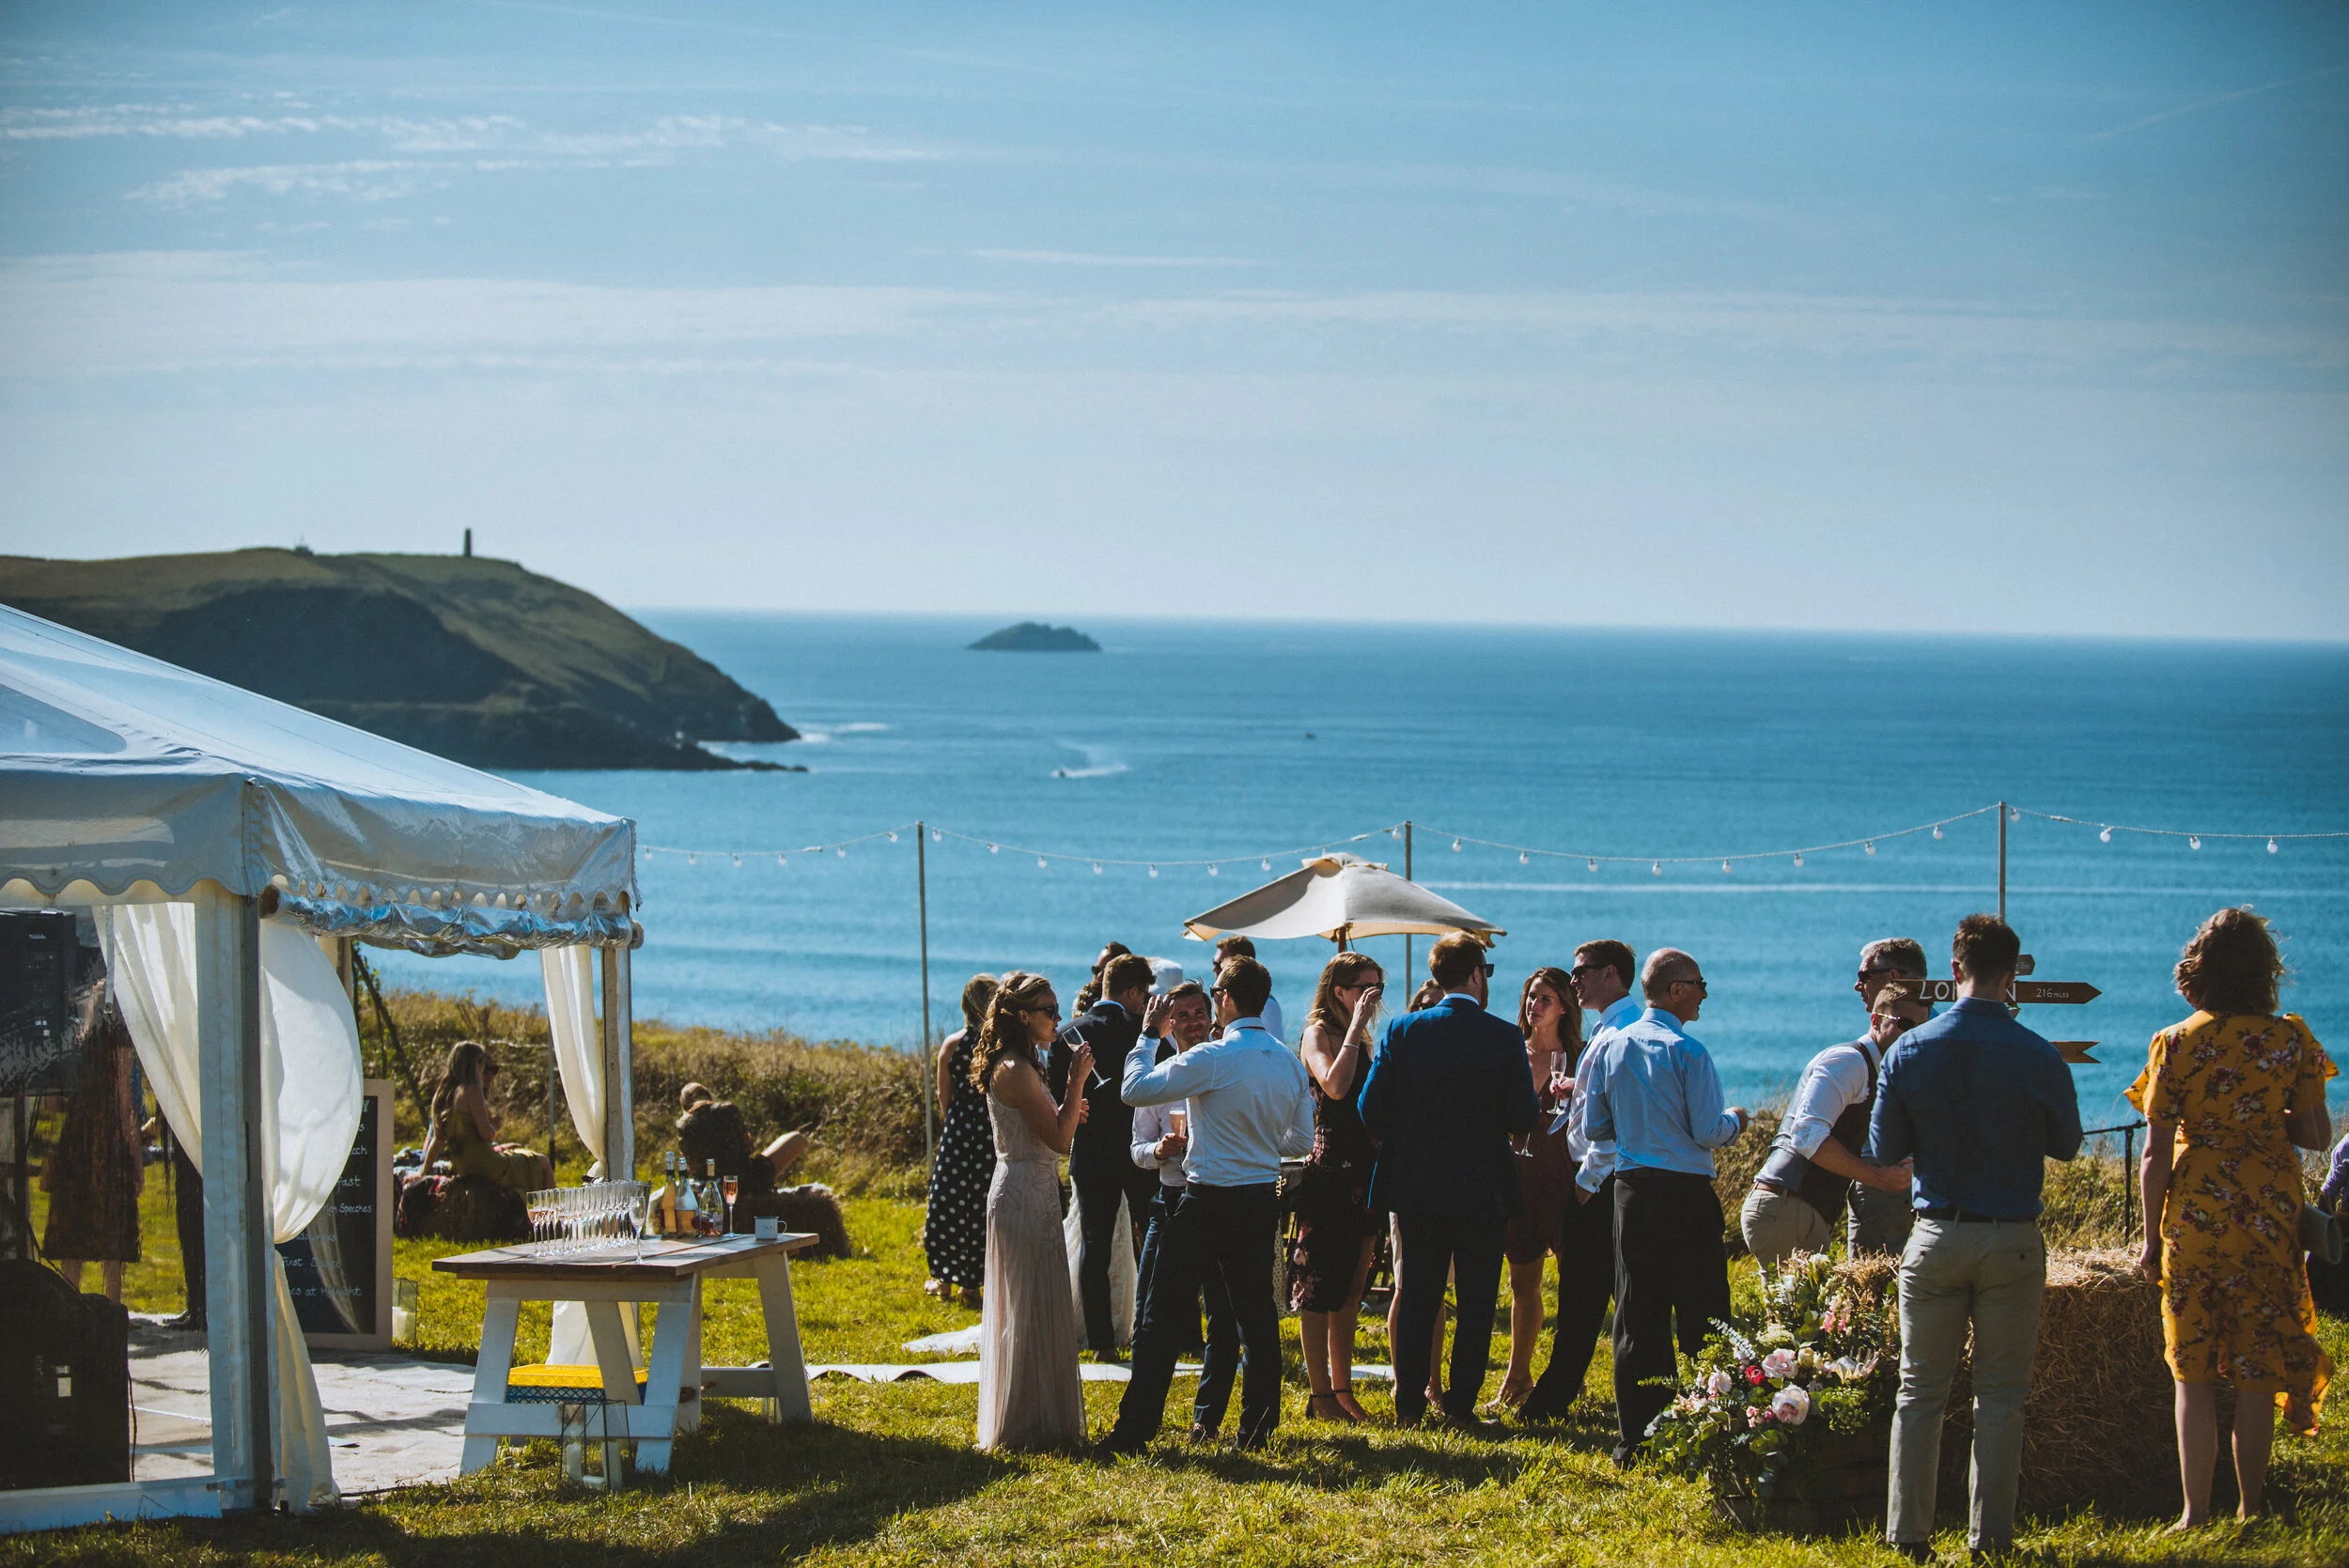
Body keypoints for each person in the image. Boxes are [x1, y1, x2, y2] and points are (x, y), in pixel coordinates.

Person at [1869, 913, 2082, 1562]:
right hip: (2012, 1235)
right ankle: (1989, 1538)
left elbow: (1884, 1149)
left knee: (1919, 1391)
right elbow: (2069, 1145)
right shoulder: (2039, 1054)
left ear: (1952, 970)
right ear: (2012, 975)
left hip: (1935, 1233)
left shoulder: (1910, 1049)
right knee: (2001, 1397)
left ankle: (1908, 1533)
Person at [2131, 907, 2336, 1529]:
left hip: (2194, 1218)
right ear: (2265, 972)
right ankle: (2250, 1508)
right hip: (2267, 1217)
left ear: (2200, 968)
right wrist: (2266, 1116)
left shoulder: (2176, 1042)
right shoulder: (2291, 1040)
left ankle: (2194, 1511)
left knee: (2190, 1370)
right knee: (2257, 1369)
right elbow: (2318, 1134)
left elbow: (2154, 1152)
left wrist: (2147, 1241)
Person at [1101, 956, 1313, 1454]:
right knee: (1256, 1318)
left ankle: (1135, 1430)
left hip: (1207, 1196)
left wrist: (1149, 1035)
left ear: (1225, 998)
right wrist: (1258, 1145)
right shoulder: (1287, 1061)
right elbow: (1301, 1138)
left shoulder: (1214, 1057)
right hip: (1261, 1198)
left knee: (1160, 1315)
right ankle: (1256, 1431)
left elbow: (1134, 1090)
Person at [1359, 933, 1541, 1428]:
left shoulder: (1401, 1031)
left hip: (1415, 1184)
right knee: (1478, 1300)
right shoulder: (1503, 1036)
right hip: (1481, 1187)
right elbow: (1523, 1113)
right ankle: (1460, 1404)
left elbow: (1369, 1108)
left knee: (1418, 1296)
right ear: (1478, 975)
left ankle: (1409, 1406)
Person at [1583, 947, 1750, 1463]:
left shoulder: (1612, 1046)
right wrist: (1738, 1120)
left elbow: (1593, 1127)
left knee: (1638, 1312)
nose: (1703, 993)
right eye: (1699, 984)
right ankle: (1711, 1425)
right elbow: (1707, 1129)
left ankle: (1639, 1436)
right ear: (1676, 990)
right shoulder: (1689, 1052)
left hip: (1631, 1191)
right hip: (1684, 1194)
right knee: (1703, 1311)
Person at [1741, 942, 1925, 1265]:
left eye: (1921, 1029)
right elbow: (1807, 1133)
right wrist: (1877, 1177)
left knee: (1803, 1313)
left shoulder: (1879, 1068)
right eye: (1903, 1025)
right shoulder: (1850, 1062)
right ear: (1874, 1021)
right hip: (1787, 1207)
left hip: (1799, 1211)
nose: (1912, 1036)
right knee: (1798, 1313)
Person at [1518, 939, 1640, 1422]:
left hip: (1602, 1182)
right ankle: (1555, 1397)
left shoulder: (1617, 1034)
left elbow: (1614, 1124)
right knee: (1602, 1297)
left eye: (1580, 972)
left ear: (1610, 973)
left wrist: (1586, 1181)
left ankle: (1553, 1400)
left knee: (1590, 1298)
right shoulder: (1612, 1029)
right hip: (1605, 1179)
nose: (1574, 982)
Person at [974, 970, 1091, 1452]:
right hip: (1022, 1188)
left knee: (1041, 1302)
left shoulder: (1024, 1062)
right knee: (1025, 1308)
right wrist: (1077, 1083)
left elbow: (1054, 1128)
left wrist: (1067, 1106)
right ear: (1023, 1016)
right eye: (1049, 1010)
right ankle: (1024, 1423)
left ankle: (1044, 1418)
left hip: (1033, 1186)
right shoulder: (1015, 1069)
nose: (1058, 1019)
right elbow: (1061, 1141)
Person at [1128, 980, 1242, 1437]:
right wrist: (1159, 1150)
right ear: (1168, 1024)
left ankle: (1207, 1418)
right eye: (1182, 1016)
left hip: (1217, 1197)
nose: (1193, 1022)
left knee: (1222, 1313)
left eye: (1199, 1013)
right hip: (1171, 1199)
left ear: (1212, 1016)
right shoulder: (1161, 1077)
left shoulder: (1227, 1065)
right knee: (1150, 1312)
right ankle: (1141, 1410)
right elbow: (1135, 1148)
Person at [1290, 952, 1386, 1423]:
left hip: (1365, 1169)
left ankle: (1343, 1389)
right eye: (1363, 987)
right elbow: (1335, 1086)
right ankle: (1320, 1393)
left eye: (1377, 988)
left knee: (1353, 1285)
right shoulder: (1318, 1034)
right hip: (1330, 1171)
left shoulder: (1361, 1037)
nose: (1372, 997)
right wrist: (1355, 1029)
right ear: (1339, 991)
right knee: (1319, 1287)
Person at [1057, 952, 1162, 1358]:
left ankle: (1102, 1343)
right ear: (1133, 991)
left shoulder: (1071, 1032)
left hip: (1090, 1151)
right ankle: (1154, 1331)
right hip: (1137, 1151)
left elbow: (1058, 1094)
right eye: (1144, 994)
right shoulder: (1142, 1034)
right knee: (1154, 1240)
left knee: (1094, 1246)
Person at [1493, 966, 1581, 1412]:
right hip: (1520, 1183)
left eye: (1545, 998)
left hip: (1567, 1185)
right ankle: (1517, 1376)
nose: (1534, 1005)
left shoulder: (1581, 1058)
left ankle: (1566, 1378)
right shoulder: (1510, 1052)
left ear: (1564, 1006)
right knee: (1522, 1283)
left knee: (1575, 1289)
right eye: (1530, 997)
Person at [41, 984, 144, 1304]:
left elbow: (50, 1103)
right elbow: (125, 1099)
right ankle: (112, 1309)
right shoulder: (118, 1041)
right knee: (112, 1233)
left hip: (76, 1141)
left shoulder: (73, 1043)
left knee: (74, 1231)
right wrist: (136, 1155)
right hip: (108, 1140)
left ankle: (71, 1310)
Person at [925, 973, 1000, 1305]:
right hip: (989, 1132)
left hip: (958, 1132)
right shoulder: (998, 1046)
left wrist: (955, 1124)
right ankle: (974, 1283)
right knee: (983, 1206)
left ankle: (944, 1278)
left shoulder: (953, 1045)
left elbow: (945, 1098)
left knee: (948, 1205)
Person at [421, 1041, 552, 1192]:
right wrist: (495, 1126)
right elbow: (486, 1134)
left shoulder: (443, 1094)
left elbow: (438, 1139)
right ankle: (554, 1213)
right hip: (485, 1165)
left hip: (462, 1166)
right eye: (483, 1063)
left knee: (517, 1153)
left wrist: (423, 1172)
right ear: (475, 1064)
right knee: (542, 1163)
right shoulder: (472, 1090)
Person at [676, 1083, 810, 1195]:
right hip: (747, 1179)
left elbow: (692, 1169)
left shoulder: (683, 1126)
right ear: (709, 1096)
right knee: (796, 1138)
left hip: (710, 1185)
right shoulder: (726, 1110)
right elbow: (748, 1148)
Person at [1215, 935, 1284, 1046]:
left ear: (1237, 963)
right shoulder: (1221, 996)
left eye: (1219, 963)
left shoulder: (1266, 1004)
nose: (1214, 969)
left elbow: (1271, 1046)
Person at [1071, 941, 1132, 1017]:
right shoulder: (1081, 1003)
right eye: (1096, 970)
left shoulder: (1135, 1006)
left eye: (1106, 972)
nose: (1099, 976)